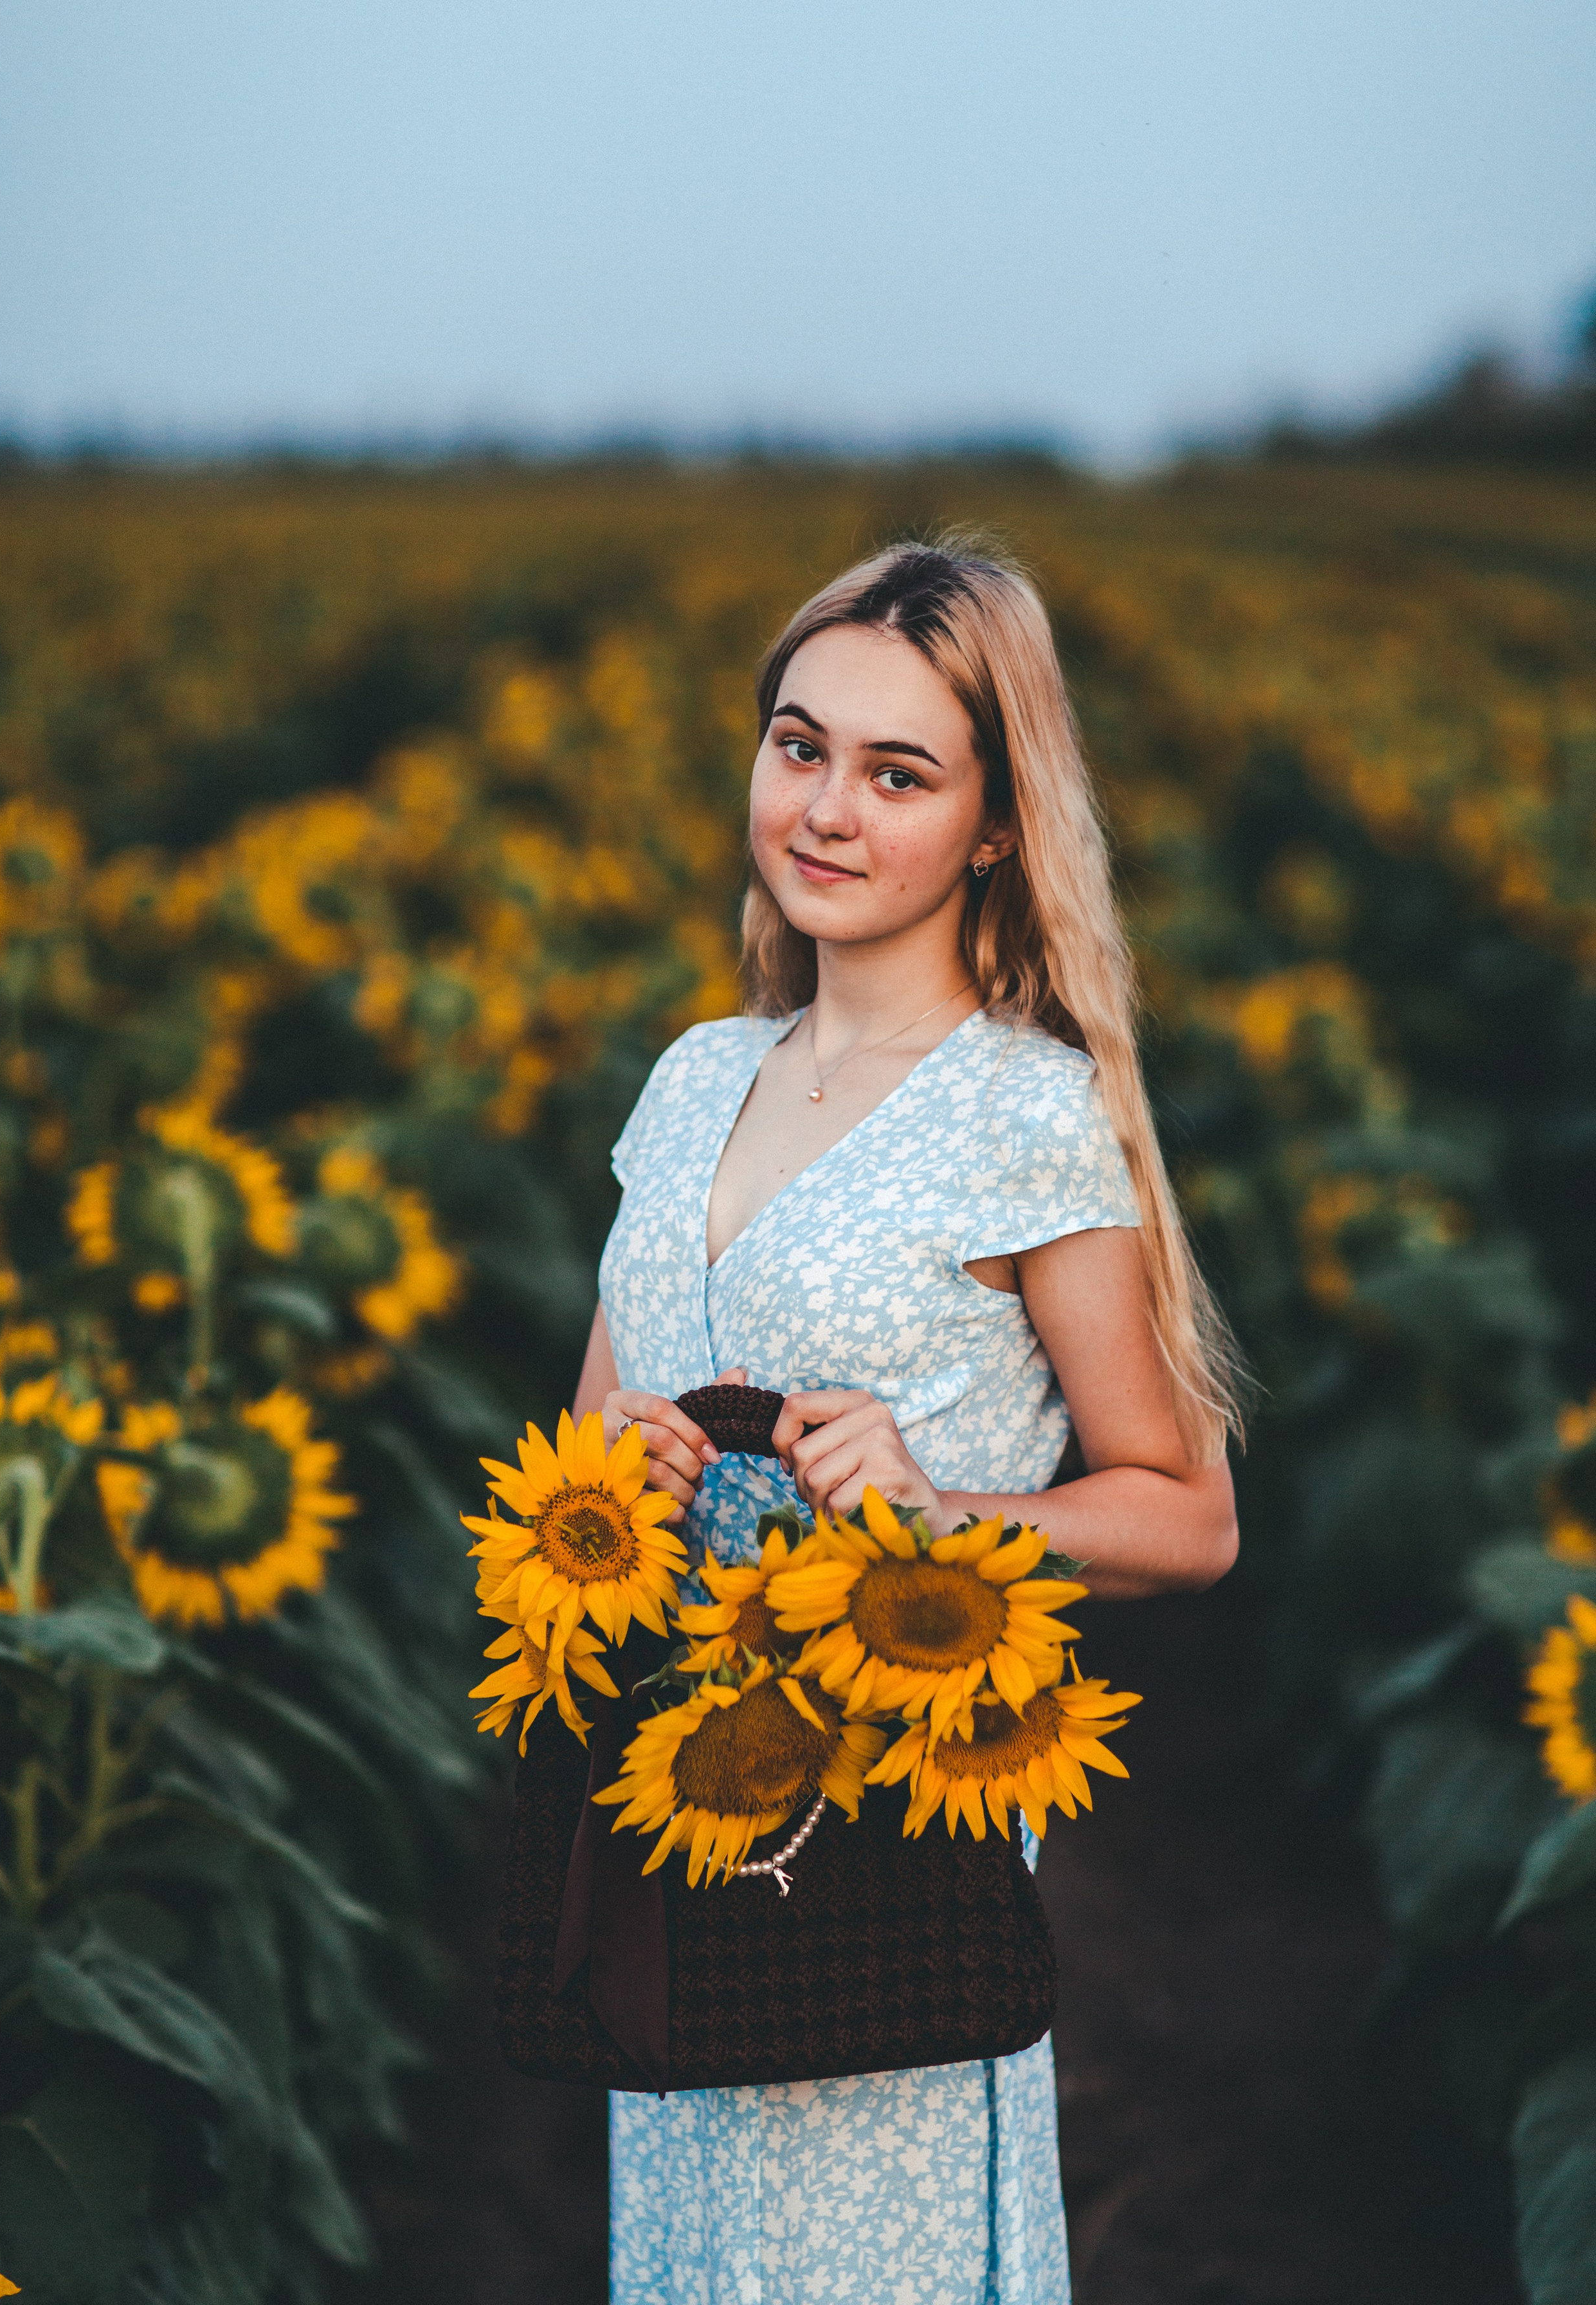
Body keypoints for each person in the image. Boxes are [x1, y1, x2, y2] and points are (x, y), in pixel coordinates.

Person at [573, 538, 1241, 2304]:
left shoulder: (1027, 1113)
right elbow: (582, 1449)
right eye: (801, 747)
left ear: (1000, 822)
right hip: (683, 1820)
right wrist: (614, 1482)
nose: (827, 810)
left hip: (887, 1849)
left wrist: (944, 1515)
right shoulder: (691, 1077)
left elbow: (1187, 1511)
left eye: (899, 773)